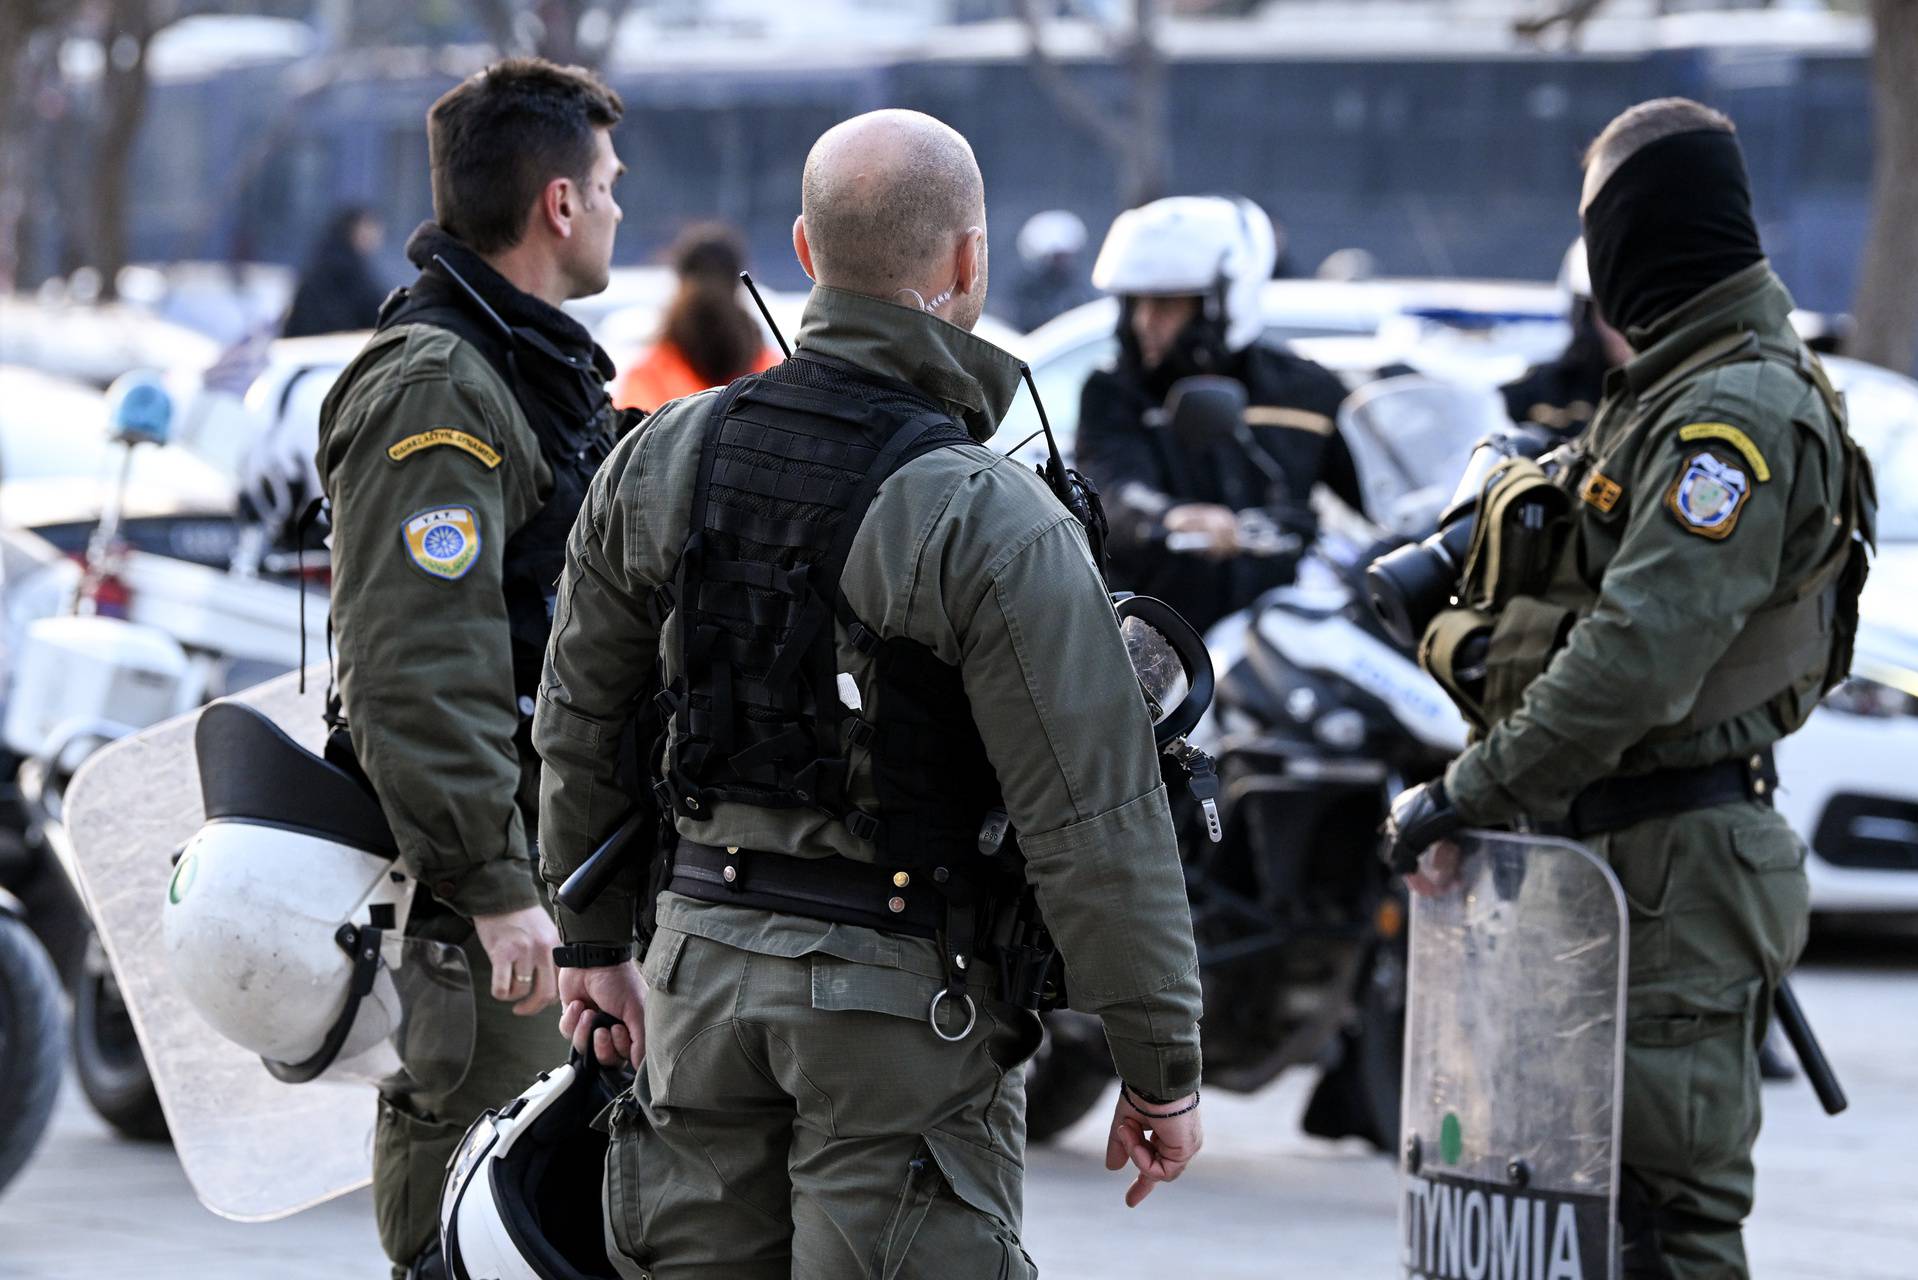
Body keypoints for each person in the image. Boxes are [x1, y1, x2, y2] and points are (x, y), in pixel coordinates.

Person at [534, 108, 1206, 1278]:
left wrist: (589, 938)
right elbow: (1093, 816)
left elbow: (581, 714)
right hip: (905, 1013)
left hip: (697, 984)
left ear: (803, 250)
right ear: (967, 262)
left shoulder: (660, 454)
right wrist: (1161, 1062)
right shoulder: (990, 515)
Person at [1381, 98, 1872, 1280]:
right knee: (1558, 1209)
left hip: (1673, 871)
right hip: (1609, 862)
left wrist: (1469, 787)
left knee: (1659, 1224)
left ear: (1640, 235)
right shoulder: (1670, 389)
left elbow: (1637, 658)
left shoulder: (1733, 413)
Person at [313, 59, 627, 1279]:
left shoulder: (525, 373)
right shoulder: (441, 384)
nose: (614, 210)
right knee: (474, 1240)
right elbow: (417, 672)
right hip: (500, 913)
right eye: (605, 187)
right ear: (557, 203)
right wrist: (497, 887)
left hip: (558, 885)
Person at [1074, 195, 1365, 634]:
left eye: (1167, 305)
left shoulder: (1305, 390)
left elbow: (1375, 485)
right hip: (1158, 643)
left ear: (1224, 302)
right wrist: (1169, 517)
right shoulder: (1114, 391)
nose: (1144, 322)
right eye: (1137, 303)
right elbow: (1112, 487)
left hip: (1283, 635)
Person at [610, 221, 778, 411]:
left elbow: (632, 435)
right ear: (738, 285)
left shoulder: (647, 375)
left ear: (679, 282)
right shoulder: (774, 373)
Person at [1500, 237, 1634, 439]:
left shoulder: (1686, 397)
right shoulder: (1535, 394)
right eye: (1615, 310)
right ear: (1585, 315)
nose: (1630, 326)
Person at [283, 205, 389, 338]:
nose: (376, 238)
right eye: (370, 229)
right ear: (355, 231)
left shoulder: (318, 265)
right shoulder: (352, 274)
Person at [1004, 208, 1091, 332]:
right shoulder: (1026, 292)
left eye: (1066, 256)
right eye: (1058, 257)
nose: (1064, 263)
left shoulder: (1081, 287)